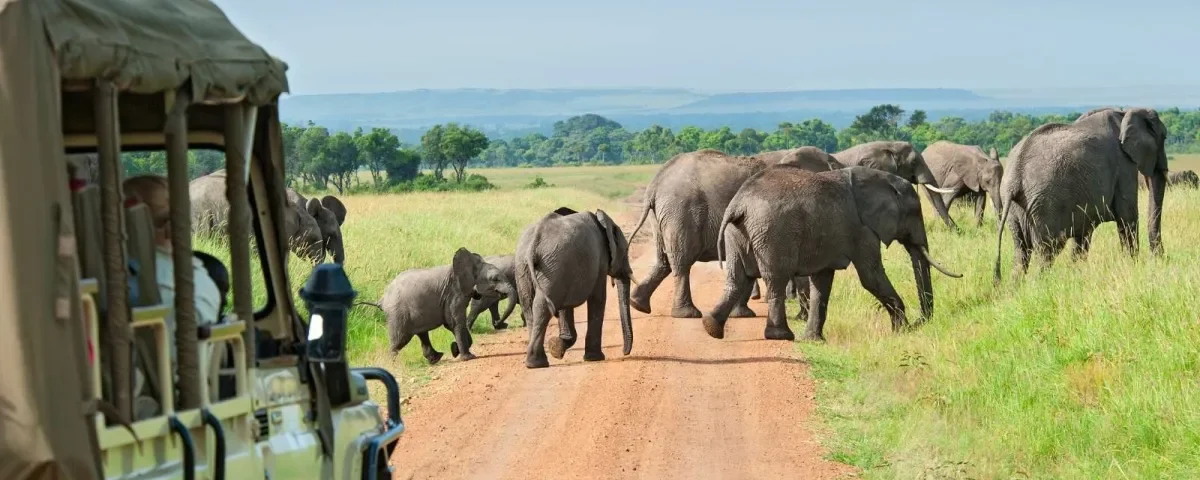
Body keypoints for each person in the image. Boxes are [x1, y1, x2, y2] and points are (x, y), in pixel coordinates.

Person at [122, 174, 222, 417]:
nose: (174, 229)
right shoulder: (165, 282)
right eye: (163, 220)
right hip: (176, 401)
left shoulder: (136, 274)